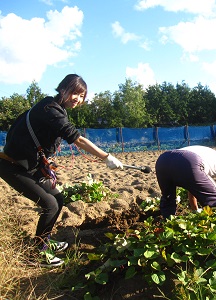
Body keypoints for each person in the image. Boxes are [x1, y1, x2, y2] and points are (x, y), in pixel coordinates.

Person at [0, 74, 124, 268]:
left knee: (57, 198)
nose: (78, 99)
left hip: (30, 166)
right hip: (12, 166)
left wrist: (46, 161)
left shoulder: (55, 109)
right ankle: (37, 254)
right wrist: (106, 157)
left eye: (82, 95)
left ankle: (45, 241)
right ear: (63, 89)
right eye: (75, 93)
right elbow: (77, 139)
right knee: (49, 204)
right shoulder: (49, 109)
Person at [155, 145, 216, 218]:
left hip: (163, 160)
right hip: (189, 160)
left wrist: (195, 210)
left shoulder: (209, 155)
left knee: (168, 198)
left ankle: (168, 223)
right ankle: (214, 227)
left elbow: (193, 188)